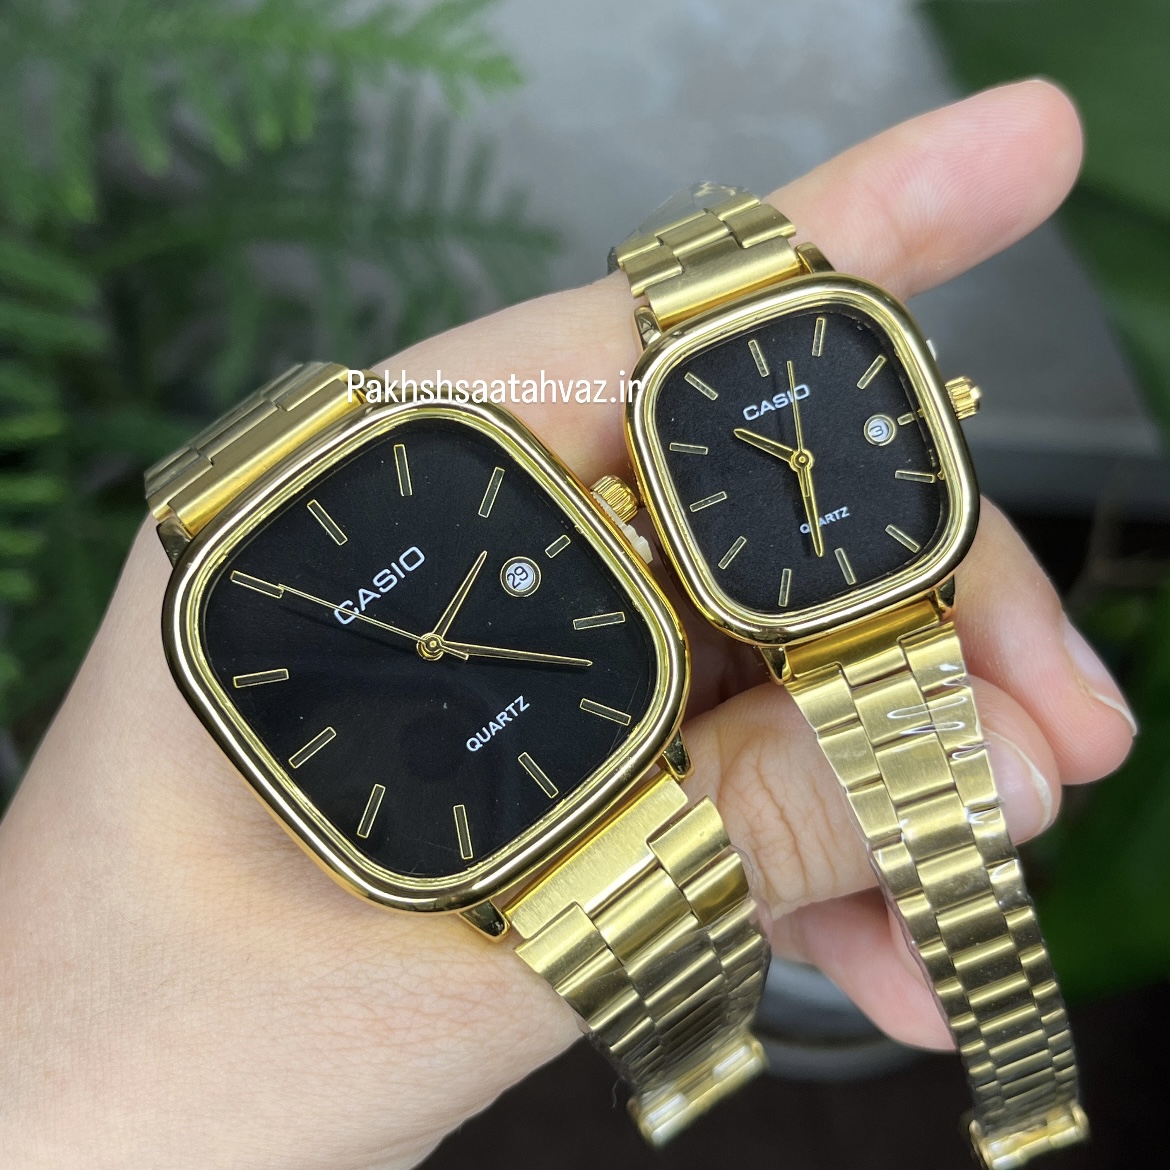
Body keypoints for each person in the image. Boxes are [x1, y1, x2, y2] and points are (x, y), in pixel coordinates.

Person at [0, 79, 1135, 1169]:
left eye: (435, 632)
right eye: (421, 648)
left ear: (612, 519)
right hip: (510, 840)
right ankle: (699, 1053)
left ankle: (704, 1058)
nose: (432, 647)